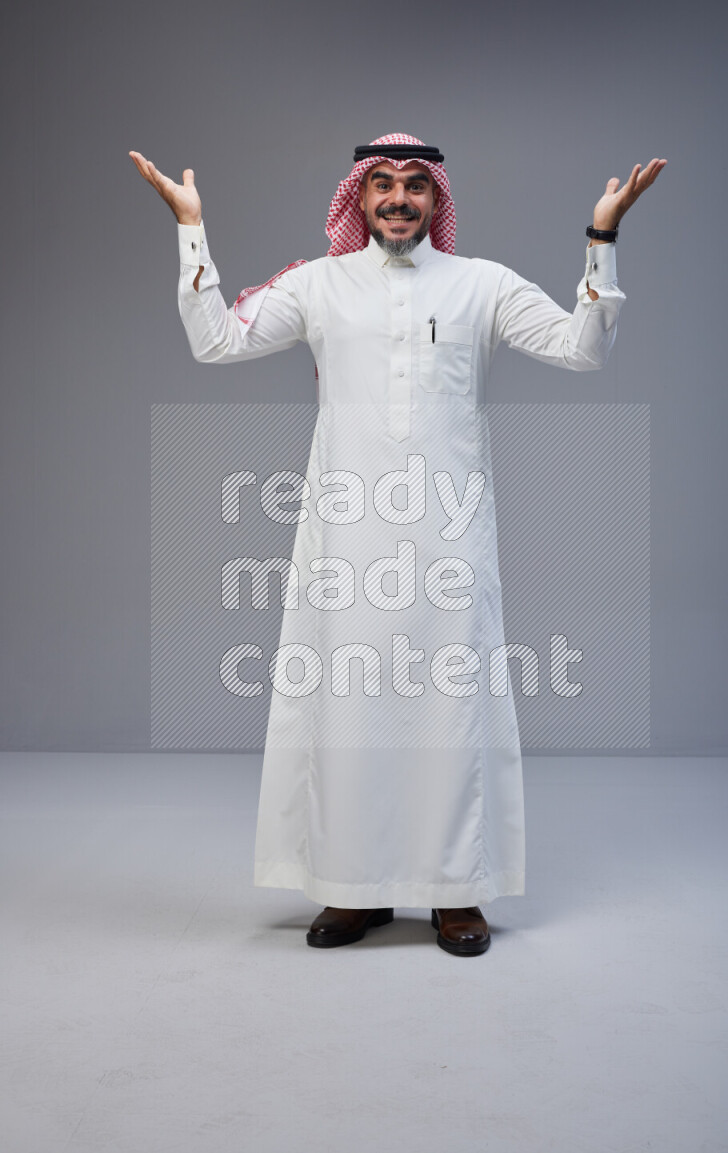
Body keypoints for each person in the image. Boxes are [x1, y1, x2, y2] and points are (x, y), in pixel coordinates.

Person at [130, 134, 666, 957]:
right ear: (359, 197)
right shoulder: (317, 283)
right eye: (381, 184)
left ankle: (455, 894)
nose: (398, 199)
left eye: (415, 185)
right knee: (349, 711)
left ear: (436, 199)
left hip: (450, 542)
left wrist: (602, 239)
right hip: (346, 542)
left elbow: (582, 348)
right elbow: (217, 341)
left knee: (450, 713)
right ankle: (355, 890)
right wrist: (191, 227)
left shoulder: (480, 284)